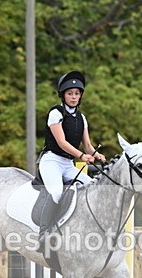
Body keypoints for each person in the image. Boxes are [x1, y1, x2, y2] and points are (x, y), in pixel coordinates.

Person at [36, 70, 106, 251]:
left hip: (68, 164)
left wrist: (96, 155)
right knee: (57, 192)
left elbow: (88, 145)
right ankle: (43, 234)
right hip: (51, 161)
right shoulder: (55, 113)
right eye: (70, 94)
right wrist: (82, 156)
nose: (74, 97)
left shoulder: (81, 118)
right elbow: (61, 142)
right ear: (63, 95)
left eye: (77, 93)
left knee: (92, 187)